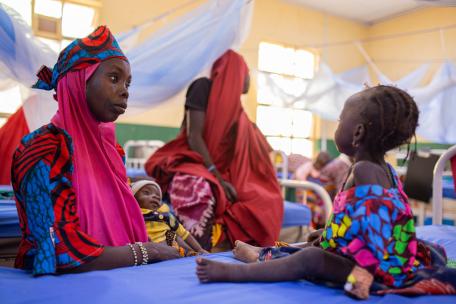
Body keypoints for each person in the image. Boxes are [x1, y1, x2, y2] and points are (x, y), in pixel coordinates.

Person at [195, 85, 456, 298]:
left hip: (377, 267)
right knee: (313, 244)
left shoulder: (365, 170)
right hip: (382, 253)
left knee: (311, 259)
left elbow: (375, 235)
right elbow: (366, 223)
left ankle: (234, 272)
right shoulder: (383, 169)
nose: (338, 123)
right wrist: (332, 235)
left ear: (358, 133)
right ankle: (263, 254)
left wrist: (360, 282)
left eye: (341, 118)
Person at [11, 26, 180, 276]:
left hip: (126, 277)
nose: (125, 91)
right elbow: (60, 250)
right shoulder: (43, 149)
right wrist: (148, 252)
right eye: (114, 78)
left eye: (127, 83)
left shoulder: (112, 151)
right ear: (79, 82)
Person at [145, 50, 283, 250]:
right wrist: (216, 176)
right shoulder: (202, 88)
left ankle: (250, 247)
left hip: (220, 167)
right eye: (247, 74)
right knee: (197, 186)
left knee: (265, 198)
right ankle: (195, 250)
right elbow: (194, 137)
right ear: (234, 71)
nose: (248, 81)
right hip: (195, 158)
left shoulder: (237, 110)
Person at [131, 180, 207, 255]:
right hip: (147, 250)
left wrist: (199, 249)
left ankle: (188, 252)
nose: (155, 196)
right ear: (133, 197)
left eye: (158, 197)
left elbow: (184, 234)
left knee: (173, 235)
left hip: (169, 248)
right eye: (146, 193)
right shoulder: (130, 215)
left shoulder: (165, 216)